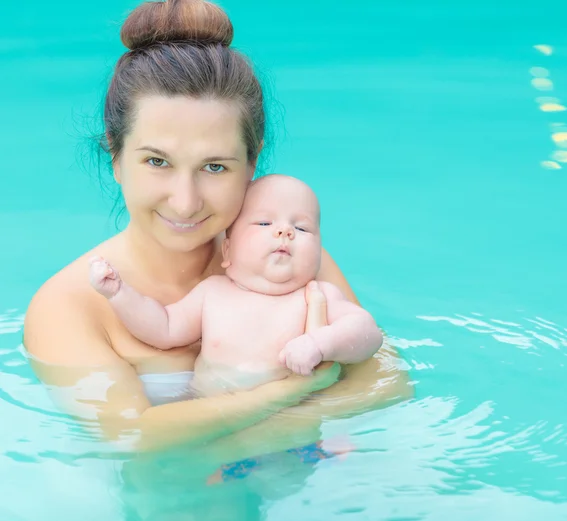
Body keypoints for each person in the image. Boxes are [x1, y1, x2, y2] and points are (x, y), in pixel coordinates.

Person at [23, 0, 411, 456]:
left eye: (214, 166)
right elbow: (133, 439)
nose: (185, 201)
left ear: (252, 164)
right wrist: (290, 391)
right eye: (157, 161)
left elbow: (387, 385)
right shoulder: (71, 306)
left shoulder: (284, 256)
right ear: (115, 156)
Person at [89, 174, 384, 396]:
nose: (285, 231)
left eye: (302, 227)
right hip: (218, 423)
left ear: (320, 252)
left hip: (293, 431)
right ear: (227, 251)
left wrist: (320, 344)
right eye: (264, 224)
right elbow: (164, 328)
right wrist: (119, 294)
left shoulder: (315, 297)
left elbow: (368, 334)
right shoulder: (212, 294)